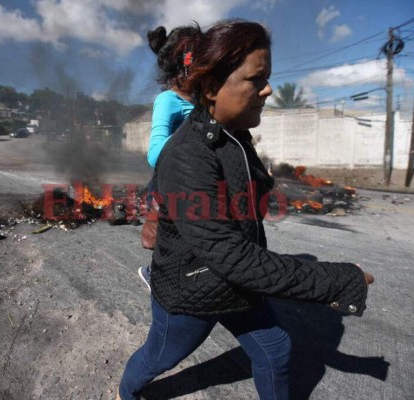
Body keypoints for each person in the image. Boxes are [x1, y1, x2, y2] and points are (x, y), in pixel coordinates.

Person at [118, 20, 374, 400]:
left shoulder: (234, 136)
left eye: (268, 77)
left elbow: (245, 216)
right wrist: (338, 279)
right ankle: (127, 392)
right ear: (210, 88)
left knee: (275, 349)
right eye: (257, 79)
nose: (268, 89)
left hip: (235, 281)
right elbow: (234, 257)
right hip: (192, 290)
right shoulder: (187, 156)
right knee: (161, 355)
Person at [138, 24, 201, 290]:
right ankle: (156, 276)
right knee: (171, 243)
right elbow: (154, 155)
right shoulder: (168, 100)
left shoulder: (201, 100)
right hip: (169, 187)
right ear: (183, 66)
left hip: (194, 184)